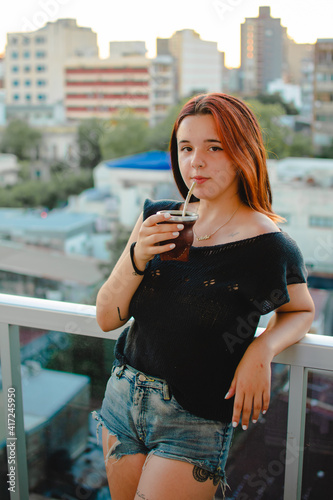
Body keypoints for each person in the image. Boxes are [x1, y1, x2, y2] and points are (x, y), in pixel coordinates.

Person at [93, 92, 315, 500]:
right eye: (186, 147)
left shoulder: (269, 246)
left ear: (242, 153)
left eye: (215, 147)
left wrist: (261, 349)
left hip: (193, 419)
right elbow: (107, 317)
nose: (196, 161)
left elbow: (301, 310)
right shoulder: (160, 220)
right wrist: (138, 254)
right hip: (122, 399)